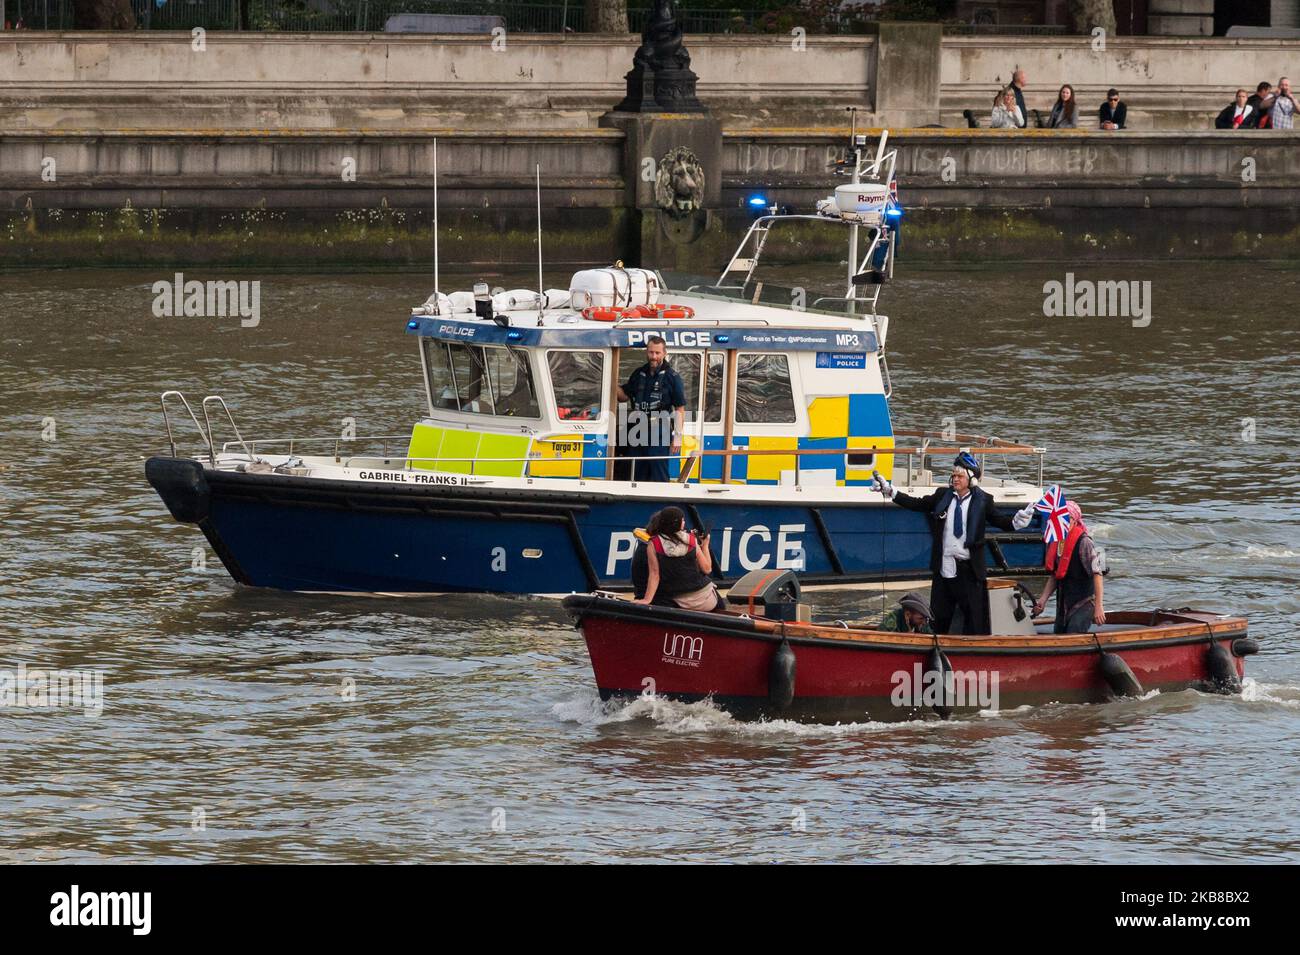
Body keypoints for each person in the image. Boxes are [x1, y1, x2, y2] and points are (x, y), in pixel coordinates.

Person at [877, 453, 1034, 635]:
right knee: (939, 616)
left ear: (972, 480)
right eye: (953, 475)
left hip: (969, 570)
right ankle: (937, 647)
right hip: (944, 567)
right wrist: (890, 491)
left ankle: (972, 653)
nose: (955, 479)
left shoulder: (984, 501)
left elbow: (1002, 522)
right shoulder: (942, 495)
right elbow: (916, 504)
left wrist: (1017, 522)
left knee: (974, 618)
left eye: (960, 476)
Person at [616, 335, 685, 483]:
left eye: (657, 353)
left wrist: (677, 437)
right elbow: (624, 397)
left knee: (658, 474)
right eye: (651, 352)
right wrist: (610, 383)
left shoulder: (672, 377)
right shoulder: (638, 374)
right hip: (637, 431)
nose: (654, 356)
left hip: (660, 433)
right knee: (636, 474)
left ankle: (663, 504)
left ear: (664, 353)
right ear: (646, 352)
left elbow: (680, 409)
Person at [1031, 501, 1105, 633]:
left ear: (1075, 521)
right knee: (1058, 633)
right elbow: (1055, 575)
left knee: (1073, 632)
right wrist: (1043, 600)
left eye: (1067, 518)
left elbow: (1097, 575)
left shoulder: (1085, 543)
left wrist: (1099, 607)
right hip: (1064, 603)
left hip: (1084, 602)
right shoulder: (1054, 542)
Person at [636, 507, 723, 612]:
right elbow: (707, 569)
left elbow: (654, 575)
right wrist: (705, 546)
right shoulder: (691, 540)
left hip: (679, 602)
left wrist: (646, 599)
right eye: (683, 520)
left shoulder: (654, 544)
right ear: (679, 524)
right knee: (721, 604)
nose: (684, 522)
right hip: (707, 601)